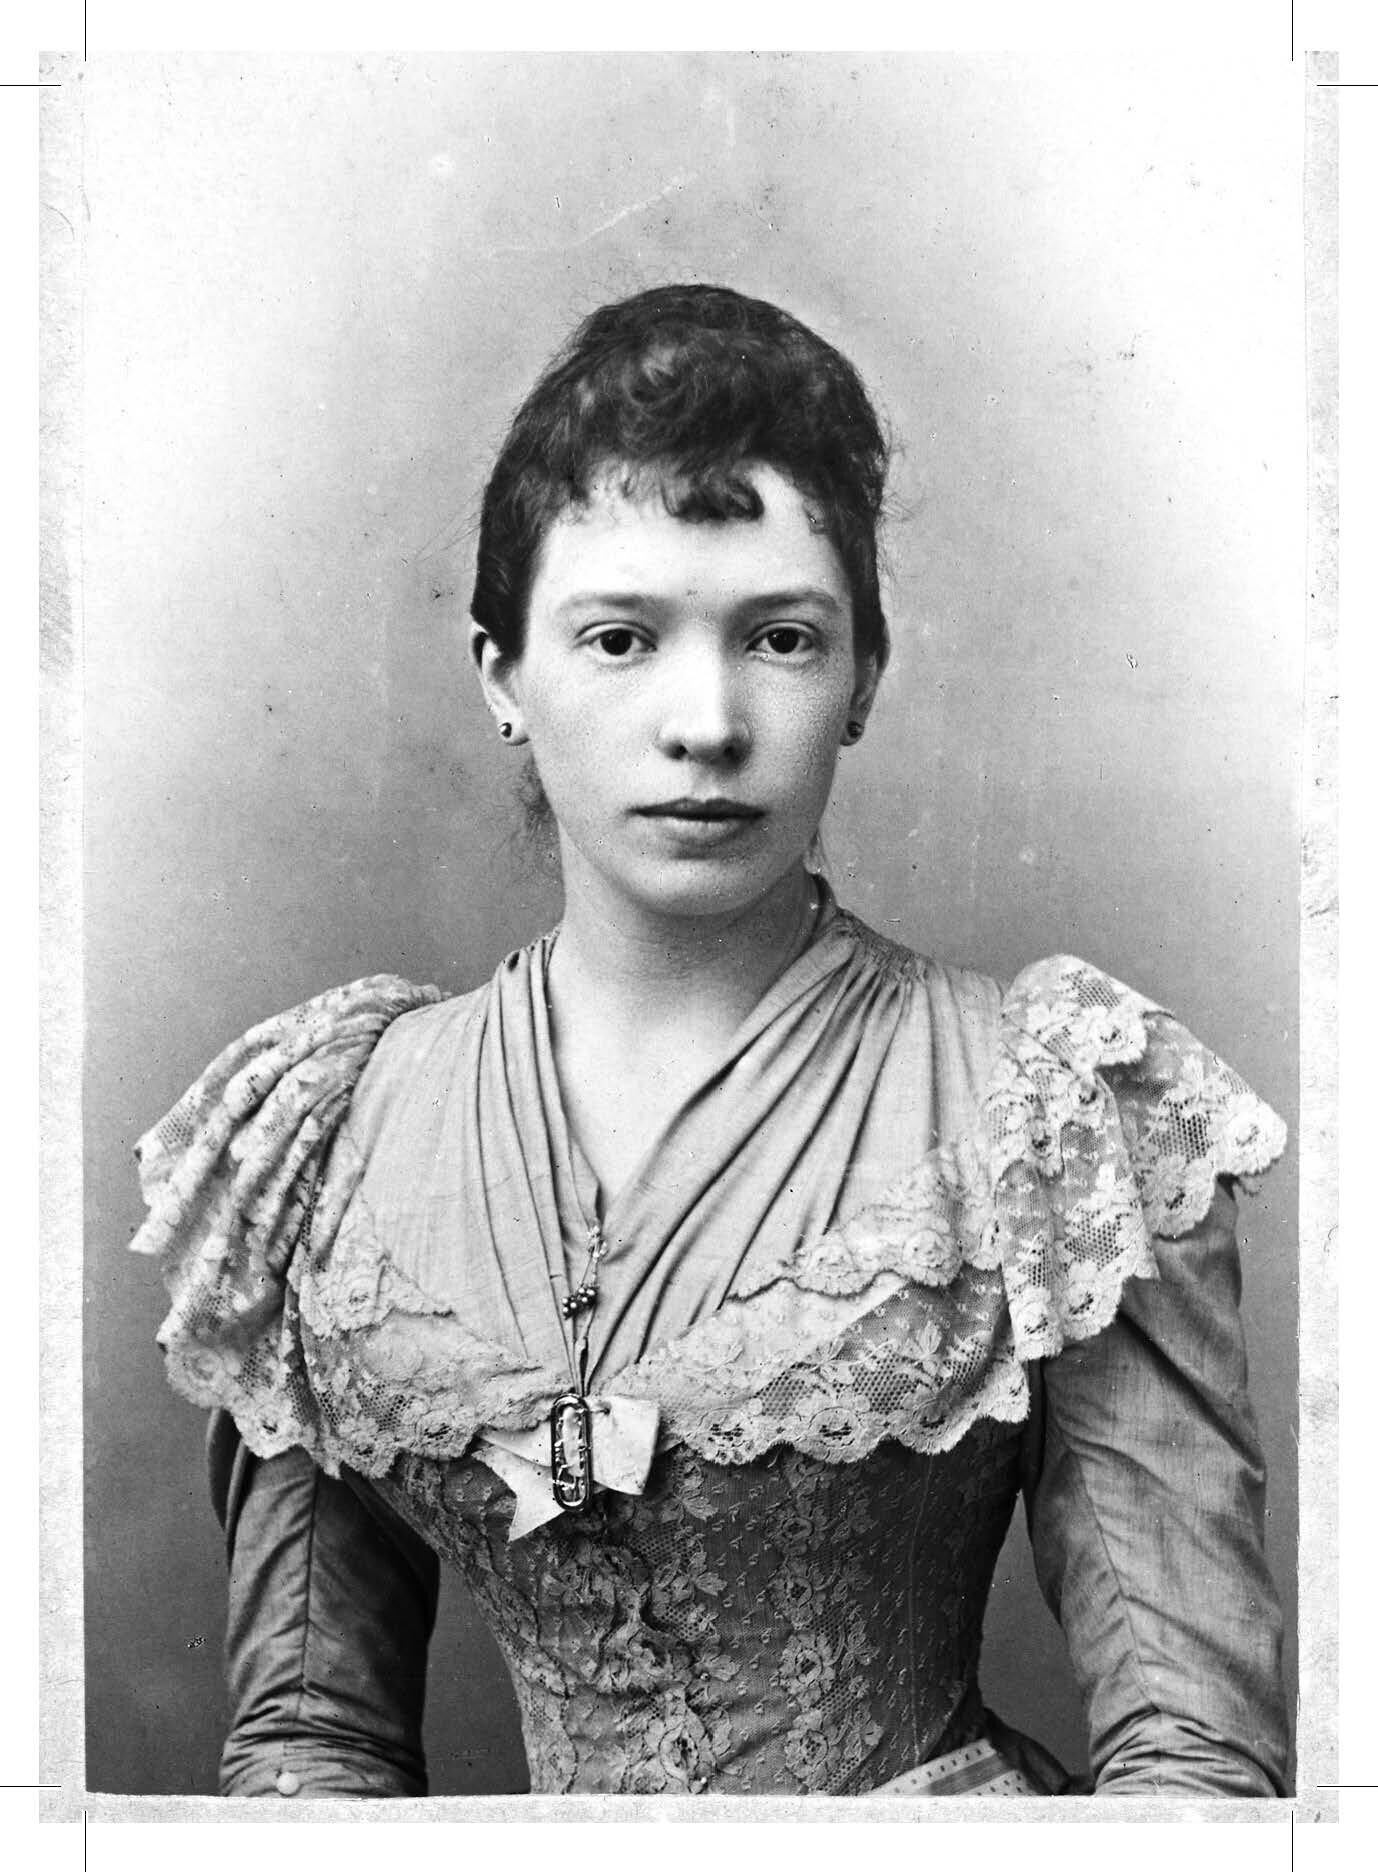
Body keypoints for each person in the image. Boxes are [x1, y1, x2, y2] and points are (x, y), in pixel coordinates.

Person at [130, 283, 1290, 1800]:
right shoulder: (328, 1131)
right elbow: (308, 1743)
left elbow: (1194, 1768)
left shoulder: (1050, 1110)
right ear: (502, 674)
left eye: (782, 638)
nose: (708, 720)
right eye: (619, 638)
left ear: (863, 676)